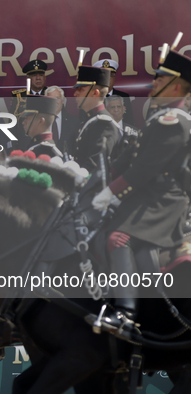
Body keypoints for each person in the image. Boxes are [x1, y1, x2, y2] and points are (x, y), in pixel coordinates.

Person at [91, 49, 191, 336]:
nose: (153, 85)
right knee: (141, 245)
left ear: (177, 87)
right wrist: (92, 179)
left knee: (118, 239)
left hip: (164, 200)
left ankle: (125, 312)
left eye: (160, 80)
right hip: (146, 198)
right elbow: (125, 161)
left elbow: (144, 169)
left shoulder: (175, 123)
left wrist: (109, 192)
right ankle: (154, 303)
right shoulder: (159, 119)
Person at [70, 65, 119, 172]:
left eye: (81, 89)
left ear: (95, 93)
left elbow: (94, 166)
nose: (75, 93)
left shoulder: (104, 124)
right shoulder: (90, 121)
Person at [92, 59, 135, 126]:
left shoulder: (124, 97)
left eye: (111, 75)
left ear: (114, 78)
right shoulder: (90, 98)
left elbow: (129, 121)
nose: (108, 78)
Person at [45, 86, 79, 153]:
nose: (55, 101)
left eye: (58, 98)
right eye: (51, 98)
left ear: (63, 100)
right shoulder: (39, 121)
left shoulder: (74, 122)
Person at [105, 95, 139, 161]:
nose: (116, 110)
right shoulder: (101, 130)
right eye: (112, 107)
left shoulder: (134, 131)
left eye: (119, 107)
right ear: (106, 110)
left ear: (124, 109)